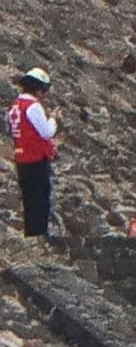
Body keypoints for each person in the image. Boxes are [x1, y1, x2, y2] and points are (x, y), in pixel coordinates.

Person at [6, 67, 59, 237]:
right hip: (36, 159)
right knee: (40, 201)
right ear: (37, 89)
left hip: (22, 158)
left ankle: (32, 235)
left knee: (29, 200)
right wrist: (54, 119)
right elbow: (46, 132)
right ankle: (39, 235)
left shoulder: (15, 106)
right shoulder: (33, 106)